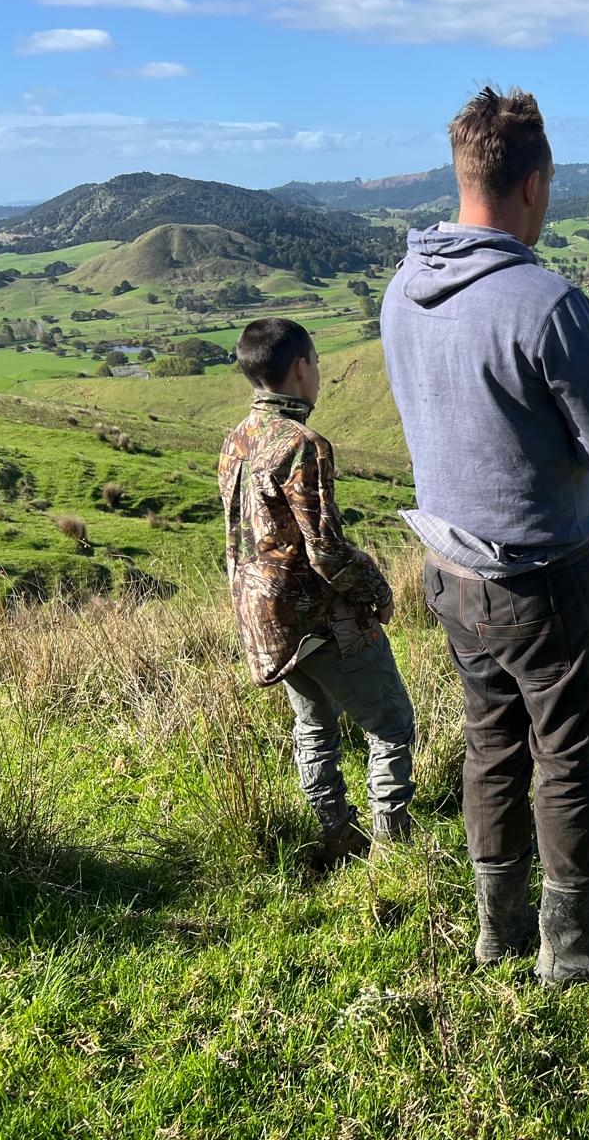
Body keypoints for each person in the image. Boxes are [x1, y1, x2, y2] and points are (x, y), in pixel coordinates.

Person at [381, 87, 589, 984]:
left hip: (447, 567)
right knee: (568, 762)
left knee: (489, 746)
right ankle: (571, 951)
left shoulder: (403, 288)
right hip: (543, 576)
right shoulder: (544, 301)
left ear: (464, 176)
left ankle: (496, 931)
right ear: (532, 184)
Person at [218, 317, 415, 866]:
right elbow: (324, 550)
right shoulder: (302, 444)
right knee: (391, 724)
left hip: (264, 620)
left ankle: (338, 832)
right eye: (319, 364)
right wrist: (377, 587)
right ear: (301, 367)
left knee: (314, 726)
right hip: (320, 617)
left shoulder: (236, 439)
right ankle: (392, 852)